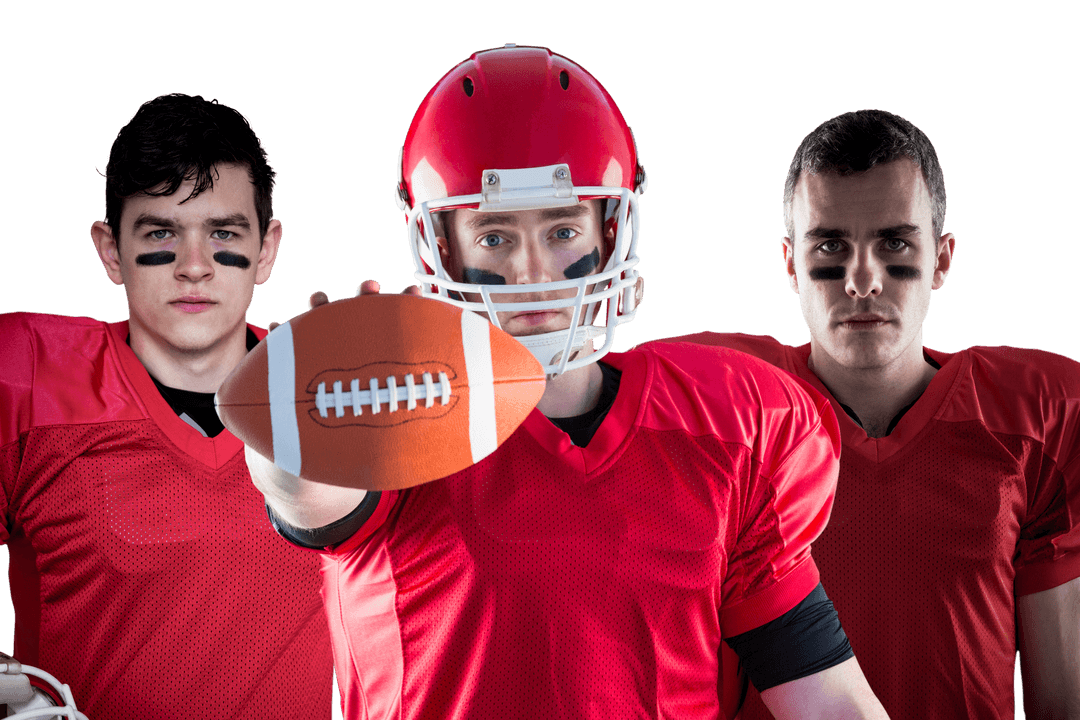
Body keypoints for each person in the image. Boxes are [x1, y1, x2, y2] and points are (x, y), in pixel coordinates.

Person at [246, 45, 888, 719]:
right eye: (494, 237)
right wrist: (305, 404)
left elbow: (827, 700)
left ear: (610, 232)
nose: (533, 273)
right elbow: (299, 487)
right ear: (439, 247)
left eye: (560, 230)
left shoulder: (720, 424)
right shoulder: (394, 421)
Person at [679, 109, 1080, 718]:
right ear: (790, 264)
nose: (862, 281)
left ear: (942, 259)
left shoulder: (1033, 422)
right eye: (831, 245)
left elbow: (1064, 701)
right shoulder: (726, 407)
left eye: (893, 242)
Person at [0, 94, 333, 719]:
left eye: (224, 233)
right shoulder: (30, 378)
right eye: (161, 232)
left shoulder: (325, 394)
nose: (194, 267)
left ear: (267, 249)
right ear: (109, 249)